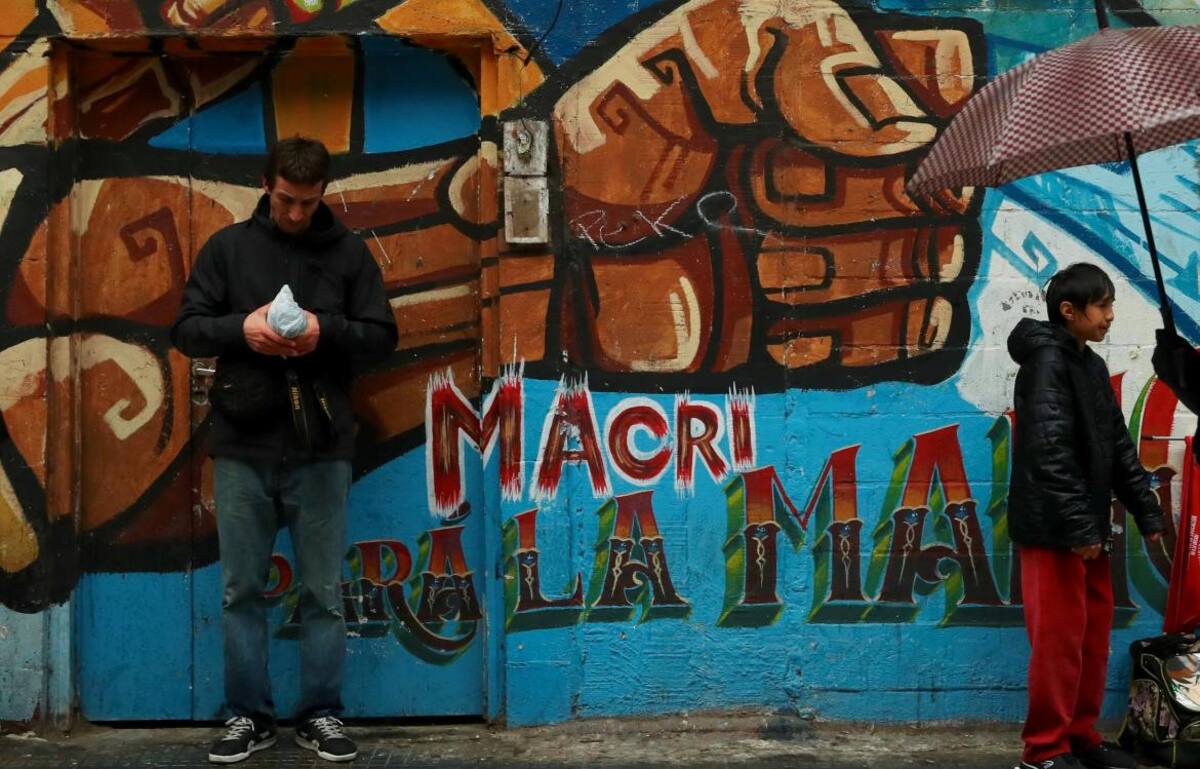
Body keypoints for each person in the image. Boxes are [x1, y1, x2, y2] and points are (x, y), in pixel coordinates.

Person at [171, 137, 398, 764]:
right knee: (241, 589)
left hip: (323, 449)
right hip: (243, 446)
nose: (296, 213)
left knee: (324, 591)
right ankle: (248, 716)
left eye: (308, 202)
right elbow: (186, 328)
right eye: (287, 200)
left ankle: (320, 713)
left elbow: (383, 337)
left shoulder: (348, 253)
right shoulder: (229, 249)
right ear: (267, 185)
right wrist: (240, 328)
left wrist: (326, 331)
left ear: (324, 192)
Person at [1007, 262, 1165, 769]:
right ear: (1068, 311)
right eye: (1102, 306)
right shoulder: (1046, 363)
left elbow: (1116, 445)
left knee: (1091, 636)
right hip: (1056, 530)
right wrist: (1079, 528)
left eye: (1112, 304)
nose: (1111, 315)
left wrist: (1148, 511)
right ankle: (1044, 751)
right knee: (1057, 642)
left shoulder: (1089, 365)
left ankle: (1080, 737)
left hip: (1088, 526)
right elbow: (1048, 451)